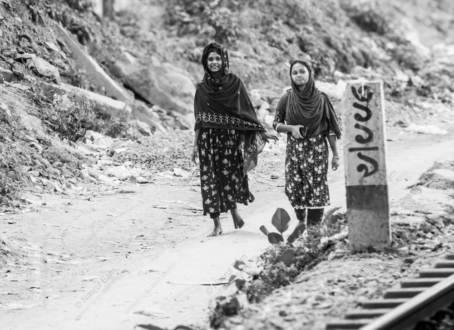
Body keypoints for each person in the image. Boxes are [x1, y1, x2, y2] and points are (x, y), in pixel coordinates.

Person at [191, 42, 277, 237]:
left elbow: (246, 110)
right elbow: (199, 120)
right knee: (209, 180)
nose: (214, 62)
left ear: (224, 61)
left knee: (230, 176)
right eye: (210, 59)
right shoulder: (201, 89)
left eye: (217, 59)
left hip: (229, 139)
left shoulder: (235, 83)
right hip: (207, 141)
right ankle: (216, 225)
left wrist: (260, 130)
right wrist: (195, 145)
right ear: (205, 62)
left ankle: (234, 211)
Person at [273, 60, 342, 243]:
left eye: (302, 71)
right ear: (291, 77)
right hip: (295, 150)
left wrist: (335, 154)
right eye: (294, 73)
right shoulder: (287, 98)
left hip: (317, 149)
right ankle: (301, 219)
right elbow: (275, 123)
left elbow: (330, 130)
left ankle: (314, 231)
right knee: (293, 187)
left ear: (310, 74)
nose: (298, 75)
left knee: (316, 189)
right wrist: (291, 128)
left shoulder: (321, 99)